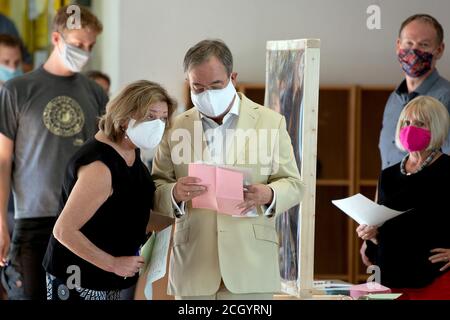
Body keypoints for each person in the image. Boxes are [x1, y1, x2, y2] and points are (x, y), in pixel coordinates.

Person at [152, 39, 303, 300]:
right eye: (197, 87)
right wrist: (174, 193)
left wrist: (268, 194)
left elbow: (293, 183)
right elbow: (155, 186)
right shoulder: (175, 127)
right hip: (194, 266)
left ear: (232, 77)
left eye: (215, 85)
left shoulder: (270, 122)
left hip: (251, 266)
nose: (206, 93)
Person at [0, 5, 107, 300]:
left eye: (90, 46)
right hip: (33, 220)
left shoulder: (95, 93)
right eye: (77, 45)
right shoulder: (17, 90)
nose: (85, 52)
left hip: (84, 221)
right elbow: (3, 160)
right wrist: (0, 221)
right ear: (56, 39)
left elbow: (102, 157)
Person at [43, 80, 175, 301]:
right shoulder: (100, 166)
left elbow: (129, 210)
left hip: (109, 276)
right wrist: (113, 263)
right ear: (124, 118)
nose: (158, 125)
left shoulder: (130, 149)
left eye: (163, 118)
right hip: (80, 277)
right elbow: (64, 231)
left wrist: (182, 220)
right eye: (151, 117)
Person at [358, 96, 450, 300]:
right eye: (406, 122)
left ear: (436, 127)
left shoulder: (447, 170)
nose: (410, 128)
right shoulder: (388, 175)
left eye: (420, 123)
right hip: (389, 281)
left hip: (434, 280)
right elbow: (380, 223)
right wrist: (370, 234)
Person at [379, 14, 450, 170]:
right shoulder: (394, 100)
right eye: (409, 43)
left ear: (439, 50)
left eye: (424, 45)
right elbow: (387, 160)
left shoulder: (446, 99)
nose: (414, 50)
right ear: (398, 45)